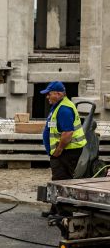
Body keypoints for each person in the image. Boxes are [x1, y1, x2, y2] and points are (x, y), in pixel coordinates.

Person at [41, 81, 87, 216]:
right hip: (63, 152)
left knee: (62, 181)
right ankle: (55, 210)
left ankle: (64, 213)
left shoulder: (64, 109)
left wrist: (59, 150)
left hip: (67, 152)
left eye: (49, 94)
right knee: (58, 179)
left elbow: (68, 133)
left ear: (59, 94)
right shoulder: (58, 106)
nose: (47, 97)